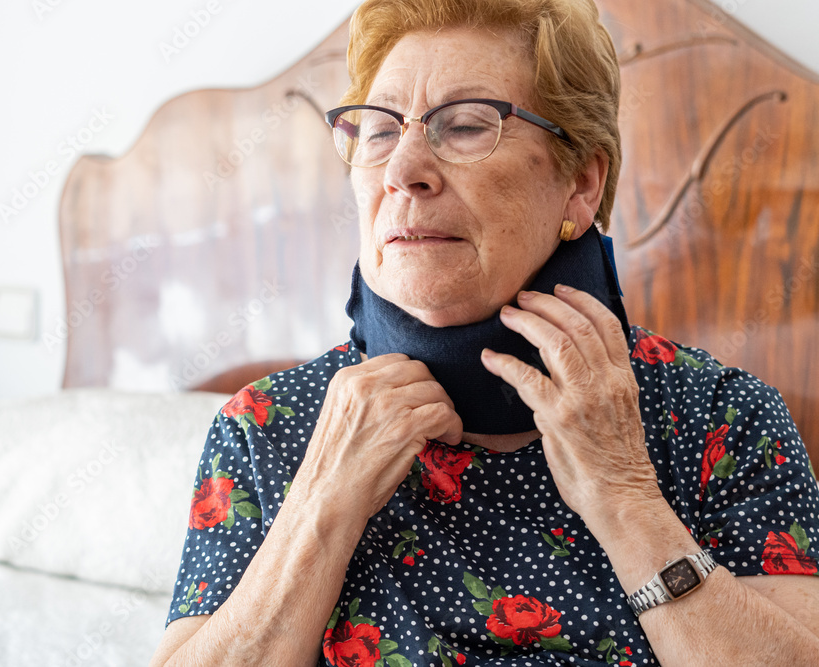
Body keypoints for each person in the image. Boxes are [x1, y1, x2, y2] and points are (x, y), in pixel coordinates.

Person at [150, 0, 819, 664]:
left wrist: (627, 497)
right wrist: (320, 508)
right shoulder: (267, 427)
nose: (401, 169)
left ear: (581, 183)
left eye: (466, 125)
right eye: (380, 130)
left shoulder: (723, 420)